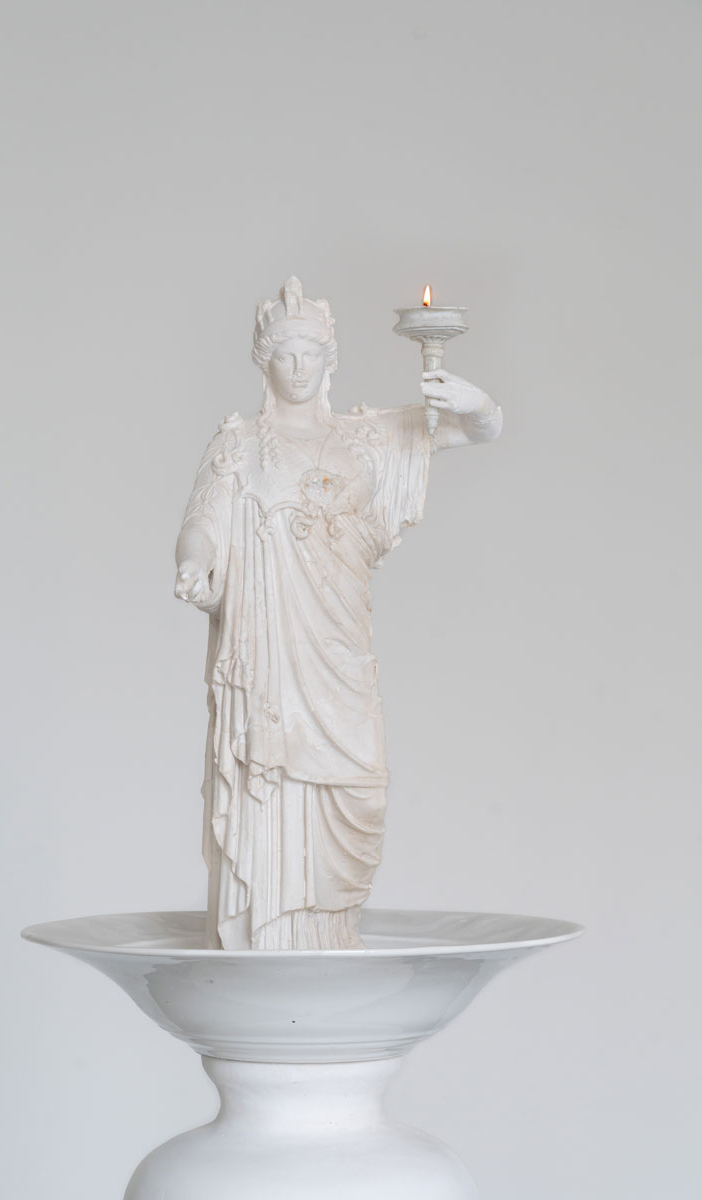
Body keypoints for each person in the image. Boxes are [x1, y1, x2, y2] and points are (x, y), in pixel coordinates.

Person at [175, 277, 502, 950]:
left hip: (340, 648)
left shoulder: (368, 438)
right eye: (284, 354)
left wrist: (478, 403)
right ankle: (273, 938)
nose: (298, 367)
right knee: (275, 783)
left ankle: (328, 936)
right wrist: (194, 561)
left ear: (331, 359)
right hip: (271, 654)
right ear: (264, 360)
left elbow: (473, 430)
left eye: (310, 353)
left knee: (361, 791)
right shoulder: (240, 443)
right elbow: (202, 521)